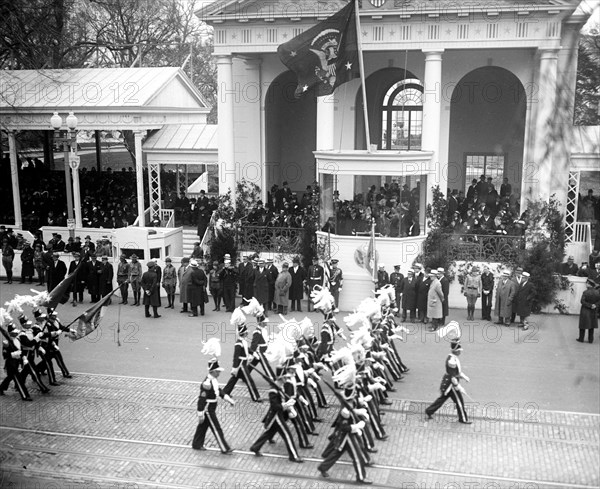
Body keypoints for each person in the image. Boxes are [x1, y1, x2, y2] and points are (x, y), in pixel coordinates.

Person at [249, 367, 304, 463]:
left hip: (279, 414)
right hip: (276, 416)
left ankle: (255, 447)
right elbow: (275, 406)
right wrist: (286, 406)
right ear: (280, 378)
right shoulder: (273, 391)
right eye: (285, 378)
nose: (286, 379)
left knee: (269, 433)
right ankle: (293, 456)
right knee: (288, 435)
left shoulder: (280, 387)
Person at [192, 357, 236, 453]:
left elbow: (219, 391)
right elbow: (201, 400)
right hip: (208, 409)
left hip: (210, 408)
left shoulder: (213, 380)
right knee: (217, 428)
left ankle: (196, 444)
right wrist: (200, 414)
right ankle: (225, 448)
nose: (219, 373)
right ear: (212, 371)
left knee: (202, 428)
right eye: (217, 371)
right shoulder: (207, 383)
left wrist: (229, 400)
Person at [425, 339, 471, 424]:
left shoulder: (453, 358)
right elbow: (453, 377)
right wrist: (460, 388)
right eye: (459, 351)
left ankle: (429, 410)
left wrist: (464, 377)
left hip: (449, 383)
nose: (460, 352)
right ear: (456, 351)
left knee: (442, 399)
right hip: (451, 385)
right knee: (459, 402)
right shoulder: (451, 361)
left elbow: (458, 372)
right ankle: (463, 419)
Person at [0, 323, 32, 401]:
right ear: (10, 333)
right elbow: (4, 355)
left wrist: (24, 358)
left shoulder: (17, 339)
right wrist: (13, 354)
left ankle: (1, 388)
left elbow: (21, 350)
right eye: (14, 332)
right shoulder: (6, 343)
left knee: (10, 377)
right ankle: (25, 395)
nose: (16, 333)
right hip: (11, 364)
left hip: (17, 362)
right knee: (19, 380)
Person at [577, 279, 599, 344]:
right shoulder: (597, 292)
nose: (586, 284)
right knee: (591, 325)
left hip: (585, 310)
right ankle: (590, 340)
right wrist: (595, 305)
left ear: (589, 285)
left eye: (587, 283)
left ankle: (581, 338)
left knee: (582, 325)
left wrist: (589, 305)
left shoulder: (585, 292)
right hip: (593, 311)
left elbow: (582, 301)